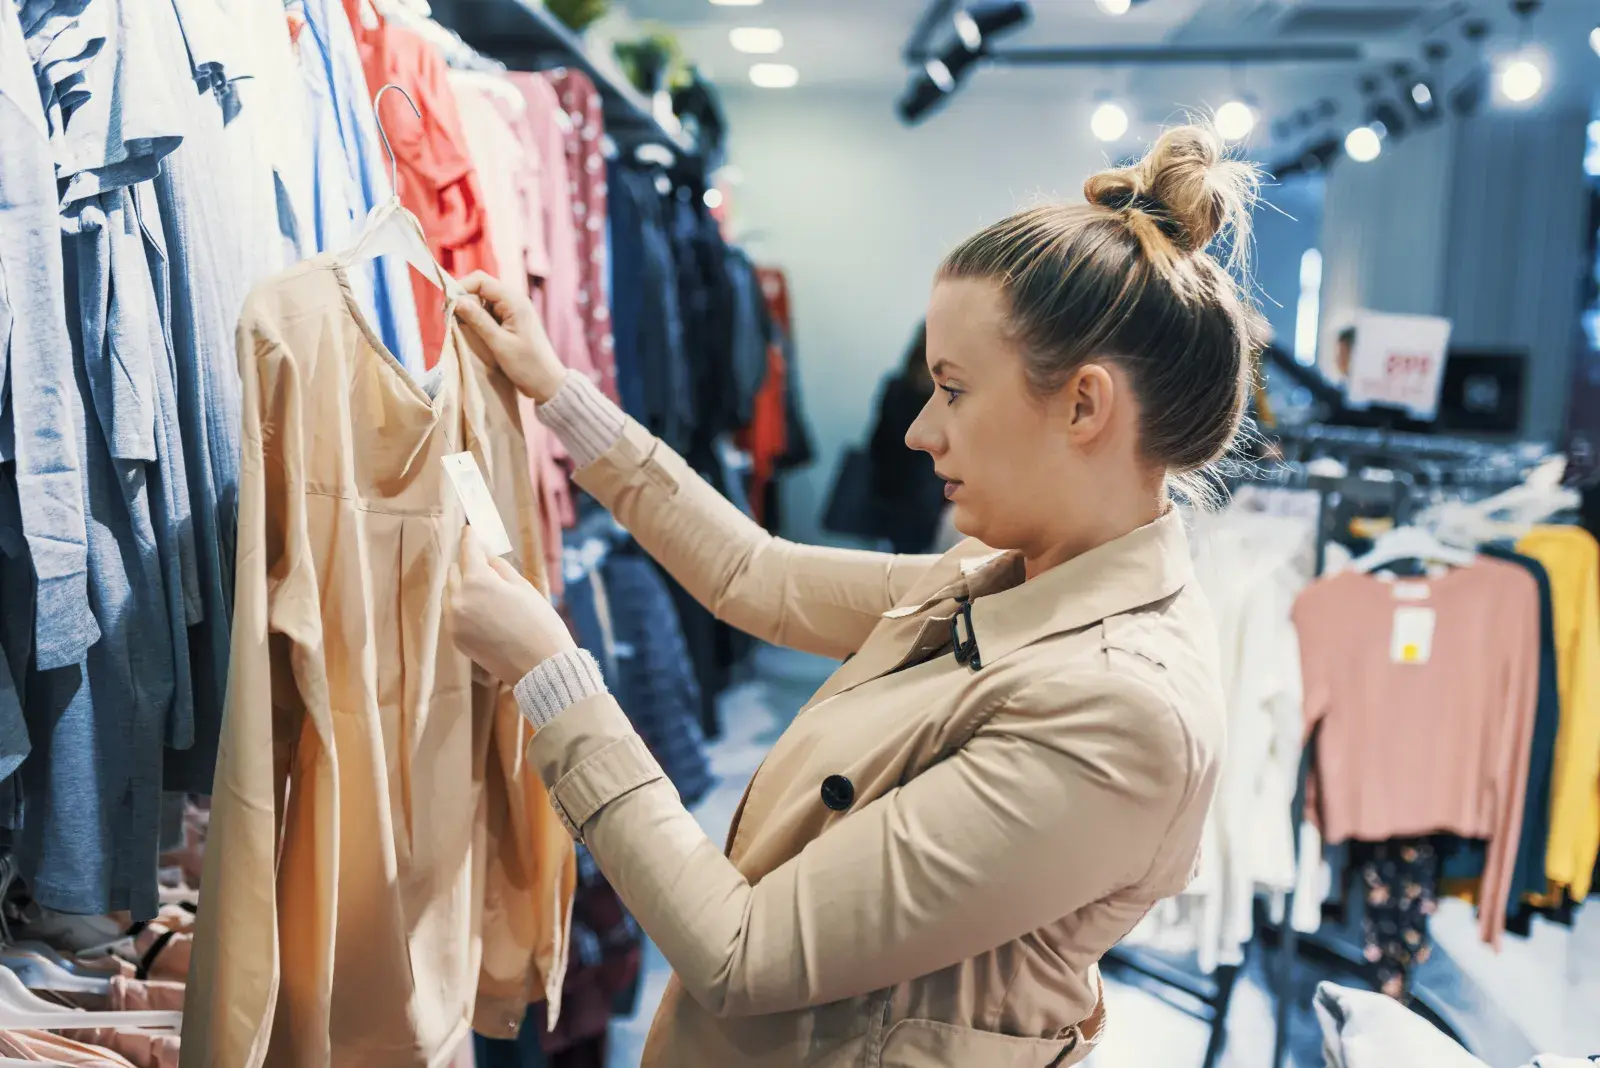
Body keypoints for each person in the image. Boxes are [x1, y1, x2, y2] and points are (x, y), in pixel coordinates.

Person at [448, 123, 1263, 1067]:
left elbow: (743, 951)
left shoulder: (1120, 710)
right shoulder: (1013, 580)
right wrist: (560, 396)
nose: (920, 432)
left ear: (1084, 405)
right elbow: (758, 575)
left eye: (953, 390)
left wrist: (550, 676)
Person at [865, 321, 948, 554]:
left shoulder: (896, 387)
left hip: (891, 505)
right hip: (929, 508)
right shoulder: (951, 397)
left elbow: (877, 447)